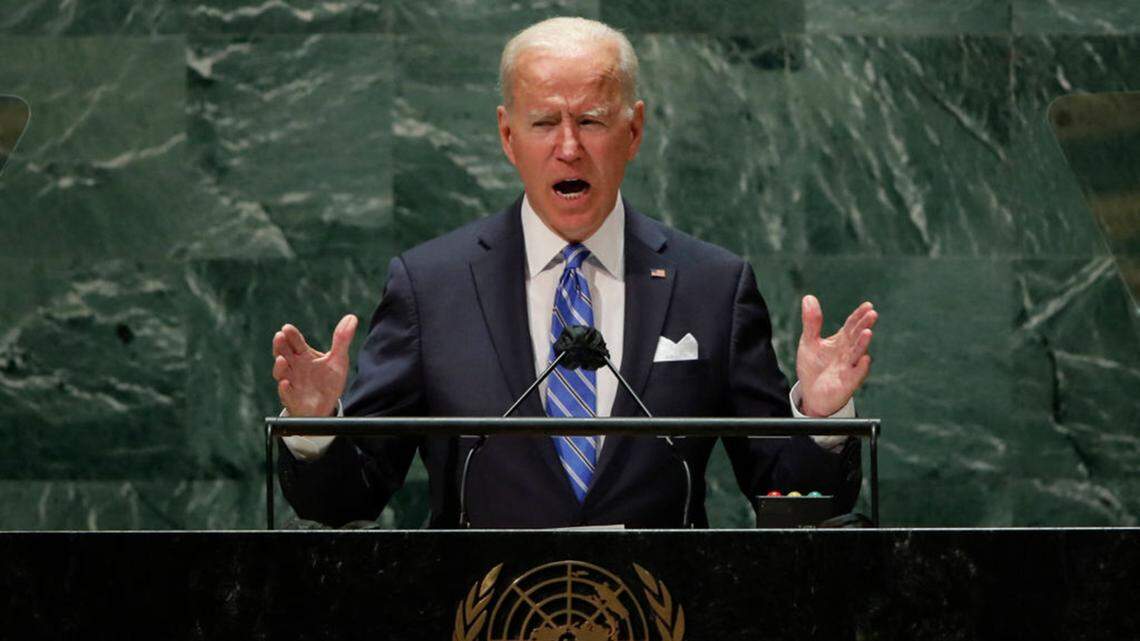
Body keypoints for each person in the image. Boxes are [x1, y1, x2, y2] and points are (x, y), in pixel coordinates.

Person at [271, 17, 877, 528]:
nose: (568, 148)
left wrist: (822, 423)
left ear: (633, 130)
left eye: (590, 120)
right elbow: (350, 499)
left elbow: (790, 500)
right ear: (508, 136)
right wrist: (316, 427)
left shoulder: (712, 286)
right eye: (543, 123)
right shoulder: (432, 287)